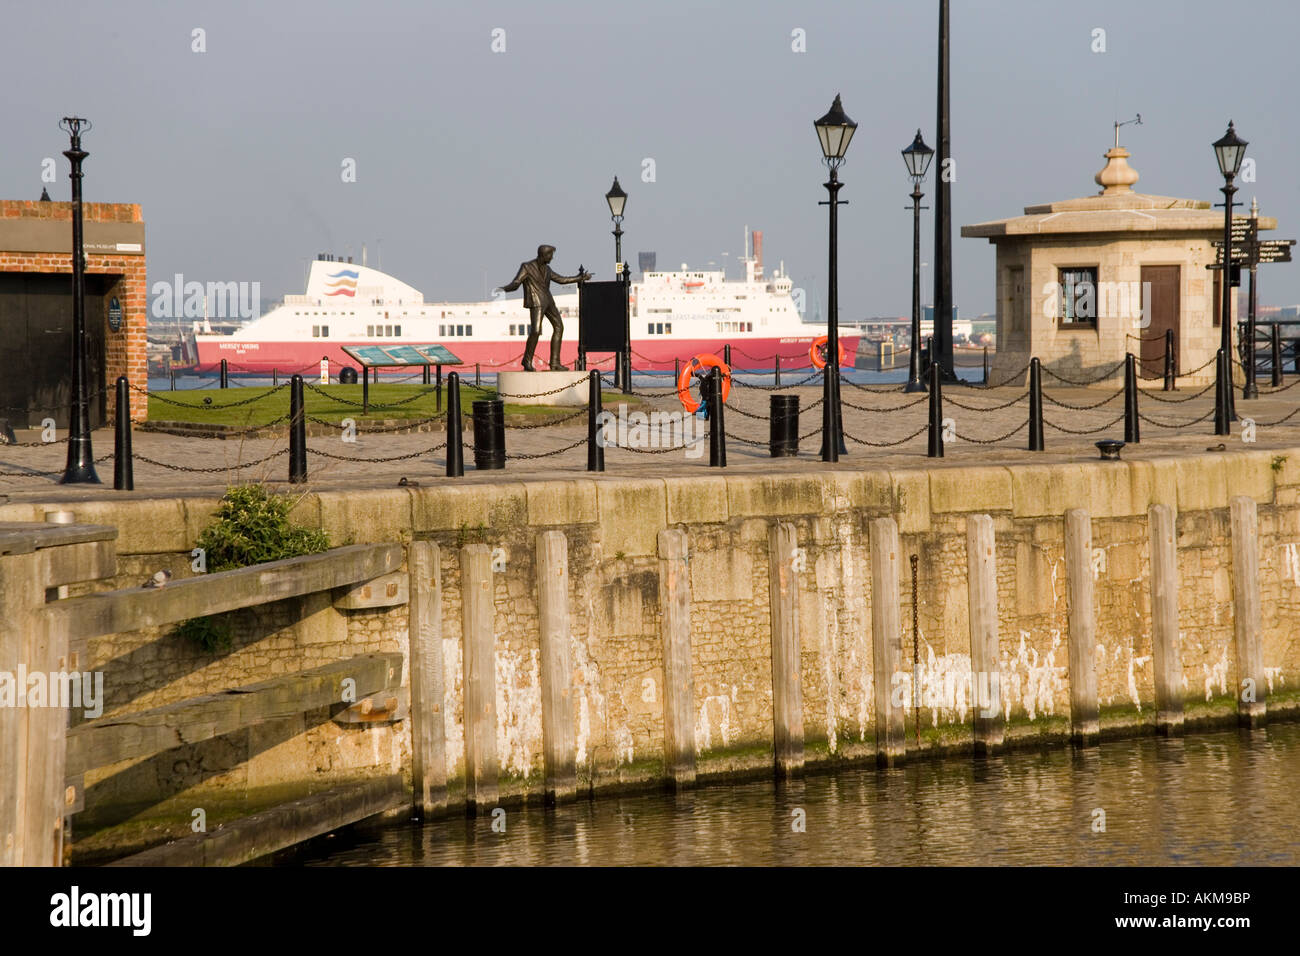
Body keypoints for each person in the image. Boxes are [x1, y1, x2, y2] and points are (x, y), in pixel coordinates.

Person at [501, 245, 592, 370]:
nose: (552, 258)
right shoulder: (526, 266)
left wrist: (580, 278)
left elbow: (561, 279)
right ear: (544, 255)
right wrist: (504, 289)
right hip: (536, 302)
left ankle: (555, 362)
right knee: (536, 331)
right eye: (551, 255)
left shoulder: (548, 269)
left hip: (548, 301)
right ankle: (527, 360)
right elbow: (516, 283)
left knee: (559, 326)